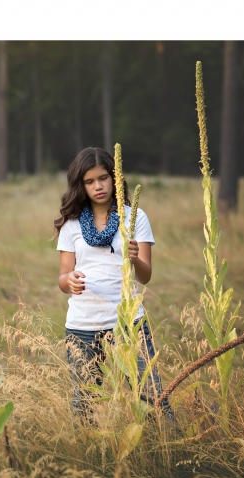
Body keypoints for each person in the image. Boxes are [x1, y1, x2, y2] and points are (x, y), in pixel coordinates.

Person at [53, 147, 174, 424]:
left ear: (115, 179)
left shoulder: (135, 218)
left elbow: (145, 276)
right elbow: (62, 278)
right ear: (80, 185)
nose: (98, 186)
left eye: (104, 178)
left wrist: (134, 260)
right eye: (90, 181)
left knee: (152, 396)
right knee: (84, 403)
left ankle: (168, 451)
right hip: (82, 326)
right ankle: (89, 459)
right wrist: (68, 281)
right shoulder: (71, 225)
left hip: (129, 322)